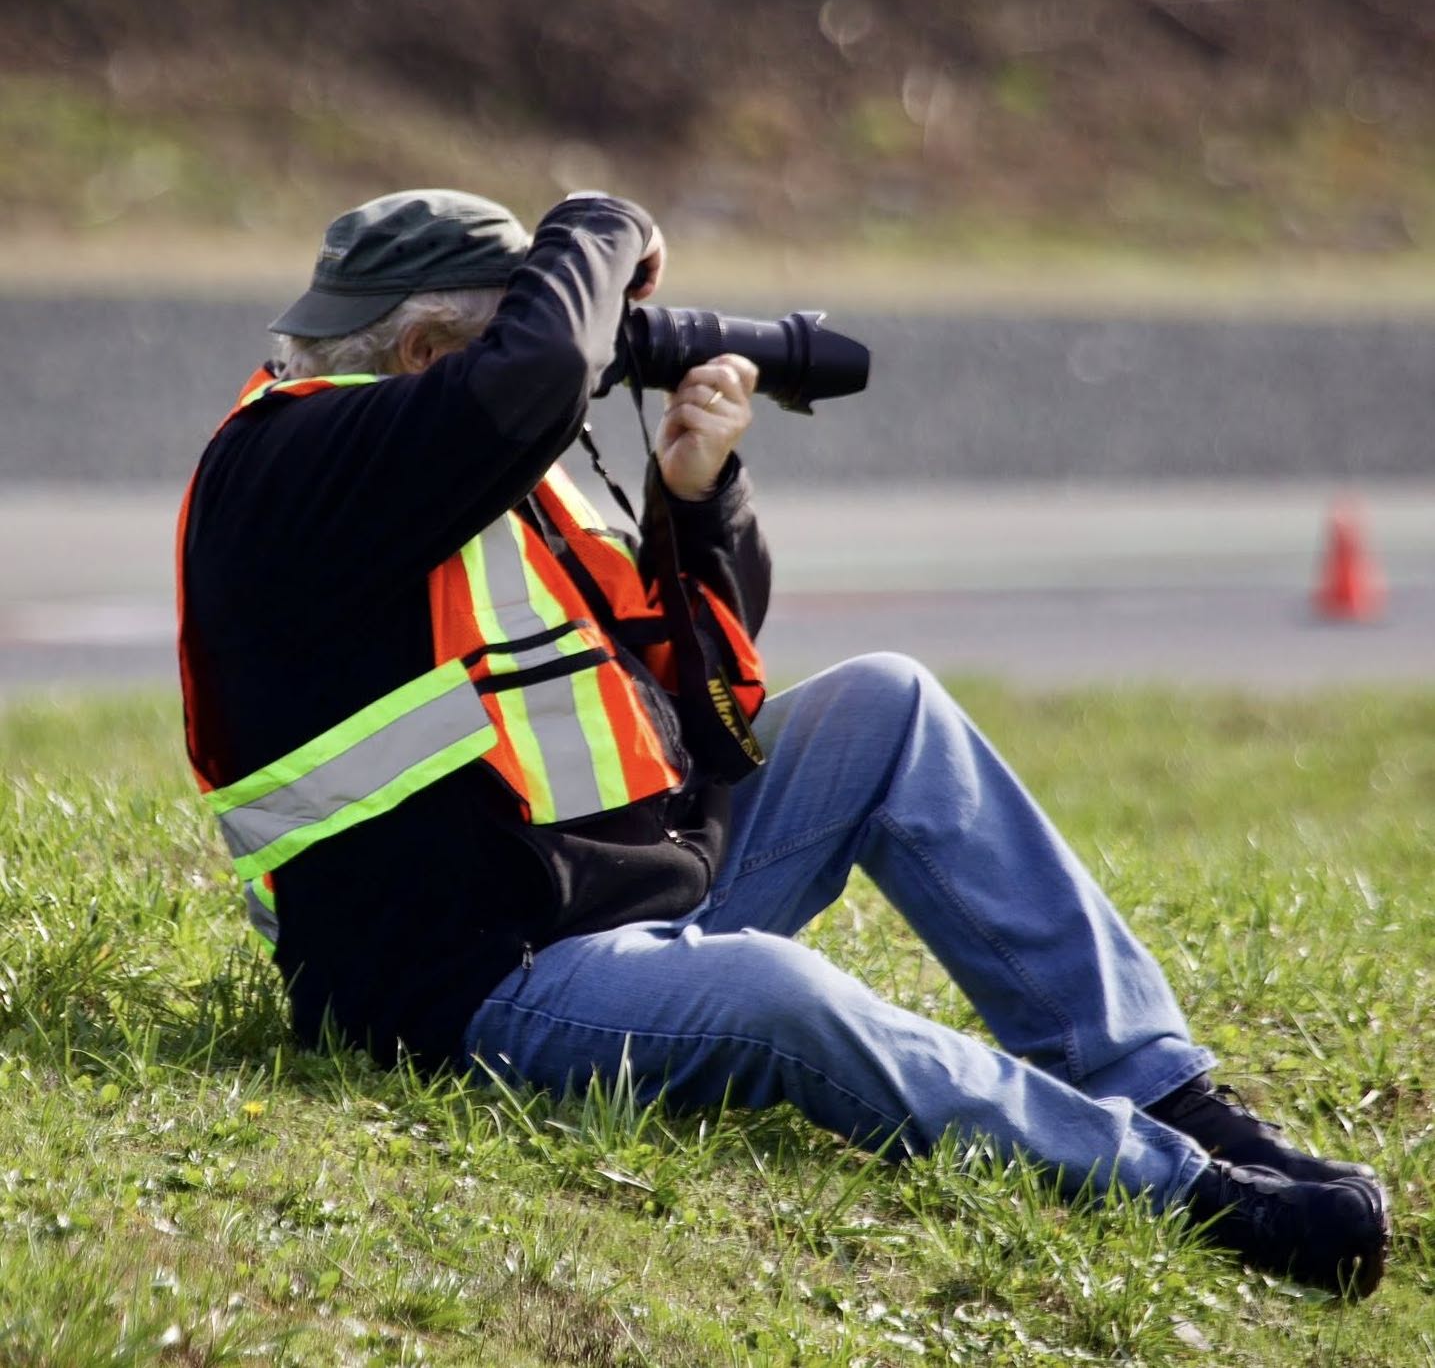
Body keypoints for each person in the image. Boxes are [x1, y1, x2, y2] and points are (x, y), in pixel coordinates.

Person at [177, 188, 1391, 1298]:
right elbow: (536, 371)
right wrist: (597, 223)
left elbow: (688, 698)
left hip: (616, 893)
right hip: (477, 987)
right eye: (539, 340)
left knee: (886, 699)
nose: (582, 374)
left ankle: (1164, 1088)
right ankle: (1182, 1190)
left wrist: (699, 496)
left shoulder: (470, 474)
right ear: (429, 354)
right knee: (780, 995)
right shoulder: (288, 464)